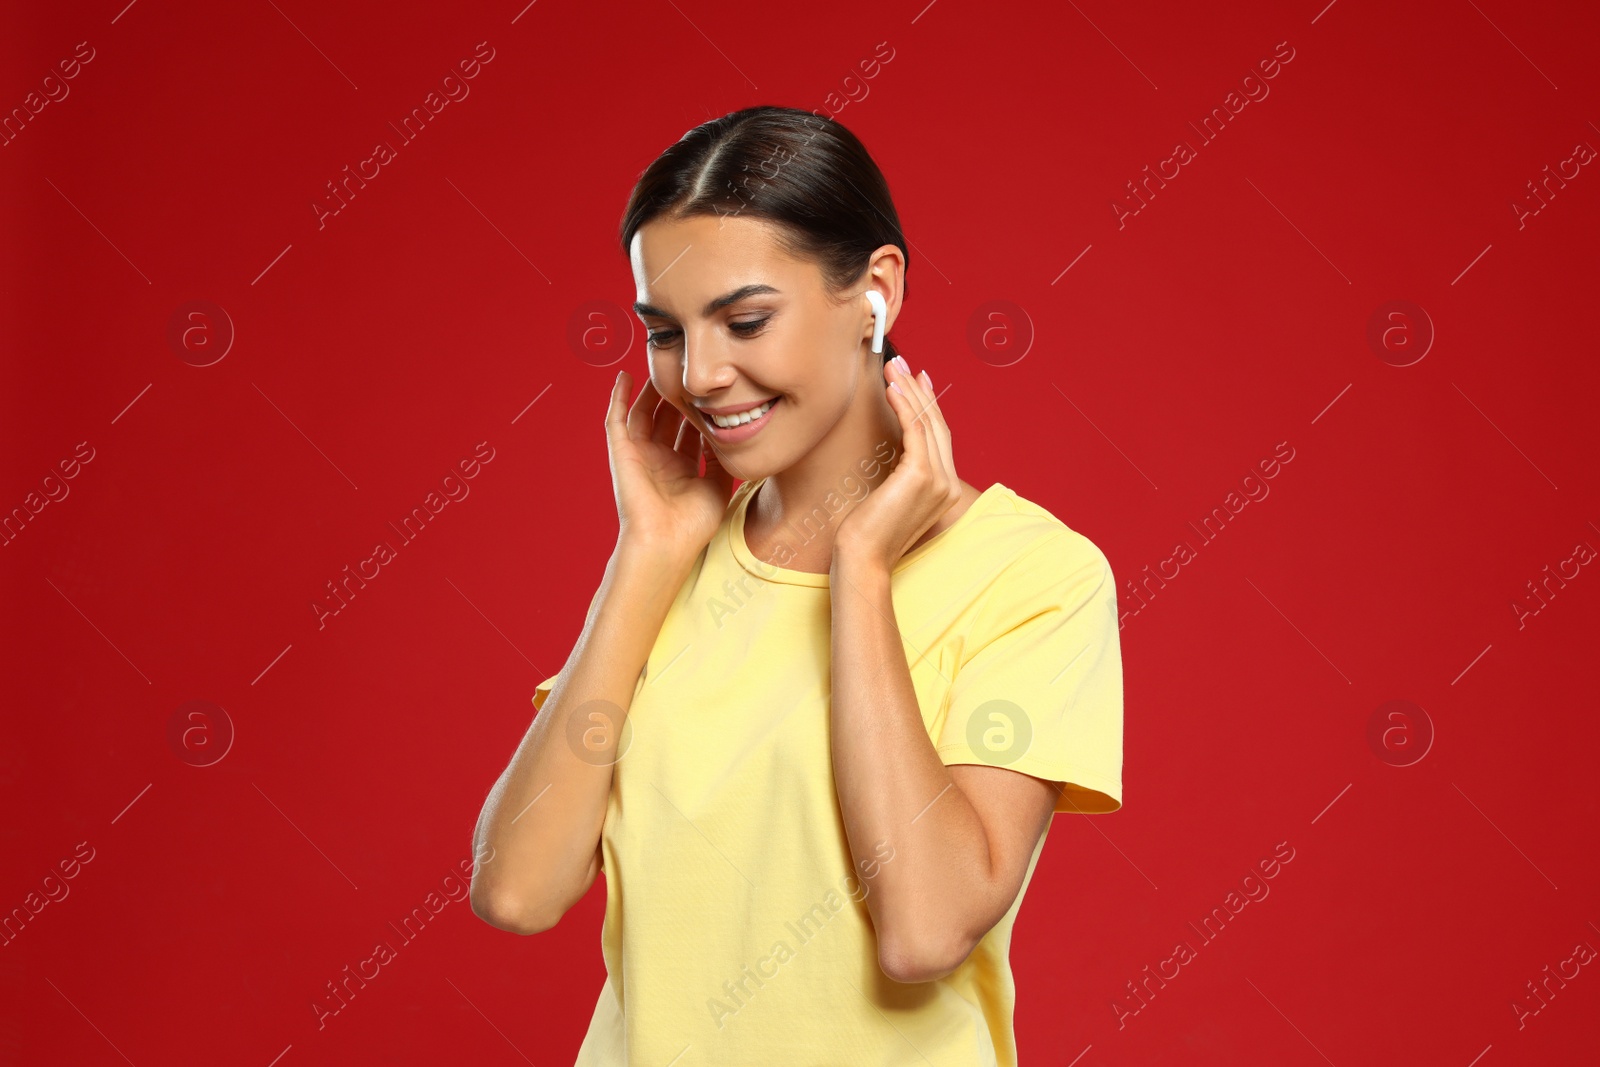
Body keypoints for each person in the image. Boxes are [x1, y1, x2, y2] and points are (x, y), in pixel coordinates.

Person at [469, 104, 1124, 1066]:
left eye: (744, 320)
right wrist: (644, 558)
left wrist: (859, 573)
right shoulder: (672, 567)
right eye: (664, 331)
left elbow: (924, 929)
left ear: (875, 293)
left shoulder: (1033, 576)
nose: (698, 375)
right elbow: (516, 890)